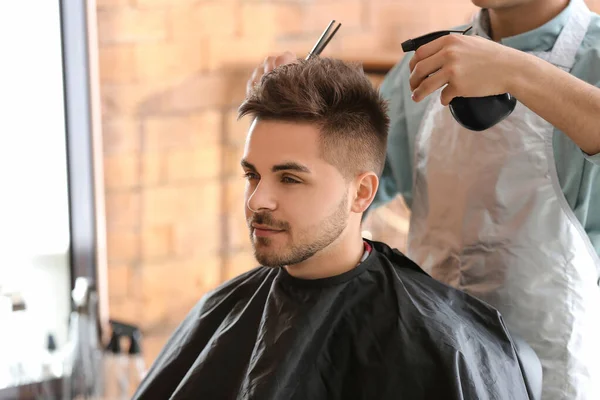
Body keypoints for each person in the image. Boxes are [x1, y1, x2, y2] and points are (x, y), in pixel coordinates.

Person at [247, 0, 600, 399]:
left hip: (552, 369)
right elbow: (353, 191)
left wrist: (516, 70)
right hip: (431, 359)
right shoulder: (430, 63)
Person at [132, 57, 532, 400]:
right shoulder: (219, 311)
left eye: (289, 178)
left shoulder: (440, 346)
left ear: (361, 193)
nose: (256, 201)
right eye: (252, 175)